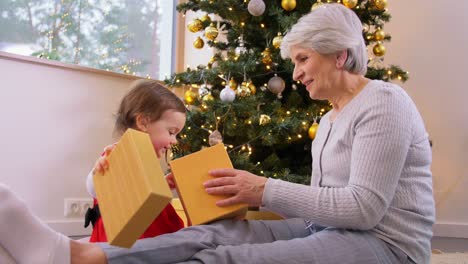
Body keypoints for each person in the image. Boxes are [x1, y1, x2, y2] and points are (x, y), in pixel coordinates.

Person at [0, 4, 435, 264]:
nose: (297, 72)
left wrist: (263, 189)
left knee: (227, 258)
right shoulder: (330, 119)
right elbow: (327, 203)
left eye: (303, 59)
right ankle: (73, 255)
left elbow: (363, 210)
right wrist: (243, 197)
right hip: (319, 227)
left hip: (386, 246)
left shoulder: (383, 103)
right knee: (205, 236)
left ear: (340, 56)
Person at [84, 79, 185, 242]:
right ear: (143, 122)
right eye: (171, 132)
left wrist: (162, 184)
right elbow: (95, 189)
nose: (174, 141)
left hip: (153, 236)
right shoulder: (117, 153)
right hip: (124, 241)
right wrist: (98, 172)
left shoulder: (147, 161)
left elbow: (143, 192)